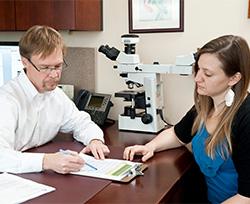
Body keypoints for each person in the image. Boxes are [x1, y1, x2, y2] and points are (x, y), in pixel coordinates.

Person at [123, 35, 250, 203]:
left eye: (208, 74)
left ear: (234, 78)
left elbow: (246, 196)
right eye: (198, 69)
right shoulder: (205, 103)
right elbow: (178, 134)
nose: (197, 78)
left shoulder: (246, 118)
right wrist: (150, 146)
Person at [0, 25, 110, 174]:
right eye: (45, 67)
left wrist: (94, 140)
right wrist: (46, 161)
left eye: (58, 66)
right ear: (24, 62)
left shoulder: (55, 95)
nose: (54, 75)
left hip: (36, 176)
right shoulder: (6, 100)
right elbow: (2, 157)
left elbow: (80, 123)